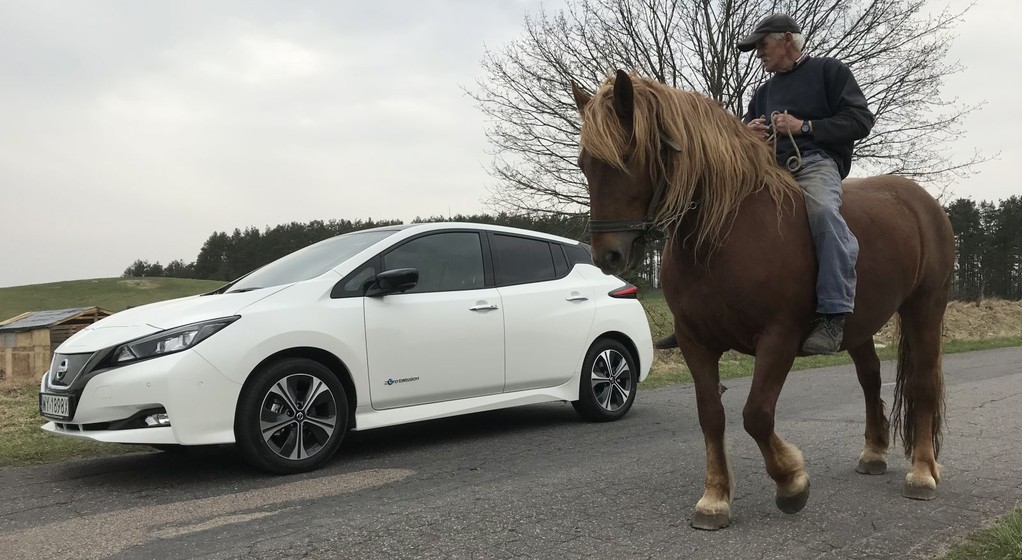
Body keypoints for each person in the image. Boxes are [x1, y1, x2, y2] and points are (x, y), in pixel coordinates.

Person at [654, 14, 874, 355]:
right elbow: (742, 140)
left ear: (786, 40)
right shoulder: (763, 93)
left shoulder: (829, 72)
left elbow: (860, 120)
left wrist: (804, 127)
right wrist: (746, 135)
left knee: (824, 213)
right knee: (710, 206)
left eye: (762, 44)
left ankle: (833, 314)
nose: (758, 52)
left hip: (813, 164)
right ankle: (695, 316)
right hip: (765, 169)